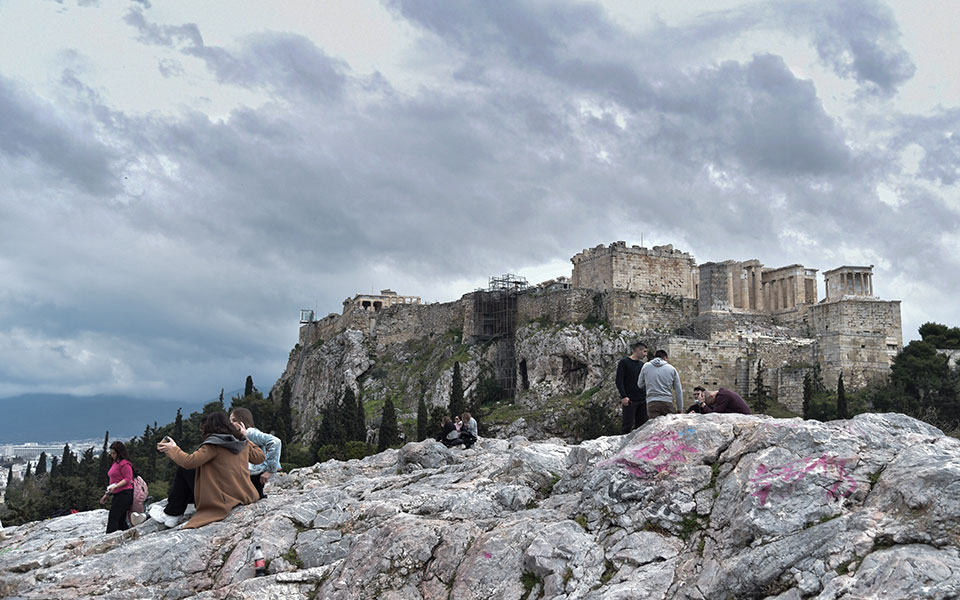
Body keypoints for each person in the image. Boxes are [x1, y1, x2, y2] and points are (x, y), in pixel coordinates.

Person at [151, 412, 265, 529]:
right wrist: (244, 436)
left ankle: (171, 514)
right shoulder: (242, 443)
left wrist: (173, 449)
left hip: (222, 497)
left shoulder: (213, 445)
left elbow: (189, 462)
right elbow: (260, 457)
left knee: (185, 470)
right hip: (243, 493)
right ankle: (172, 513)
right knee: (192, 473)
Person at [229, 407, 282, 499]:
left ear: (242, 421)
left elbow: (275, 442)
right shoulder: (240, 435)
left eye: (234, 420)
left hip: (255, 477)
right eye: (230, 421)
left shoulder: (250, 433)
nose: (231, 424)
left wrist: (270, 470)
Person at [638, 349, 684, 419]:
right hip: (667, 401)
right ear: (665, 358)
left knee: (654, 427)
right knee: (669, 427)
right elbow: (678, 390)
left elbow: (640, 384)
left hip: (652, 401)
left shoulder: (646, 366)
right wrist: (680, 408)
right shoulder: (672, 369)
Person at [102, 441, 134, 533]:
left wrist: (116, 486)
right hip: (117, 494)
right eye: (111, 453)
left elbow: (128, 479)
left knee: (113, 517)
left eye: (114, 453)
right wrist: (107, 494)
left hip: (125, 493)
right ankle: (127, 534)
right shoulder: (115, 463)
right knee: (120, 520)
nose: (112, 455)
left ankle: (109, 537)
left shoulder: (125, 463)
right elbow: (113, 481)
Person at [615, 341, 648, 433]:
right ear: (638, 350)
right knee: (627, 425)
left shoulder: (642, 365)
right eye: (644, 351)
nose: (646, 354)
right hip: (630, 400)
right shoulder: (624, 362)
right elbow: (619, 380)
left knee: (642, 426)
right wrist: (624, 396)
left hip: (642, 399)